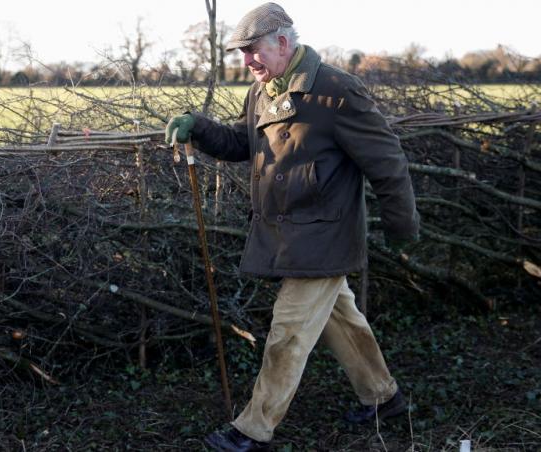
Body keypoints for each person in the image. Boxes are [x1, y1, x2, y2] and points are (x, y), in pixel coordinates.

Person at [165, 3, 420, 451]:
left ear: (283, 42)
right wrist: (200, 128)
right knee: (342, 319)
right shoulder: (261, 92)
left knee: (287, 332)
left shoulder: (336, 90)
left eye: (252, 51)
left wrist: (402, 225)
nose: (247, 62)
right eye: (242, 53)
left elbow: (387, 162)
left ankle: (254, 430)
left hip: (325, 235)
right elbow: (243, 143)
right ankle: (384, 397)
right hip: (289, 237)